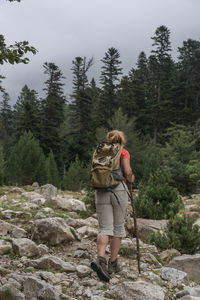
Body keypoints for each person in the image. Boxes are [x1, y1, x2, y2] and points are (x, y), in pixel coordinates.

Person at [91, 130, 135, 282]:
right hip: (118, 190)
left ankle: (100, 260)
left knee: (105, 228)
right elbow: (127, 171)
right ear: (122, 140)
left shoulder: (100, 150)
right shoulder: (123, 152)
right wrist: (131, 178)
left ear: (108, 139)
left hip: (101, 191)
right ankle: (113, 263)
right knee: (118, 228)